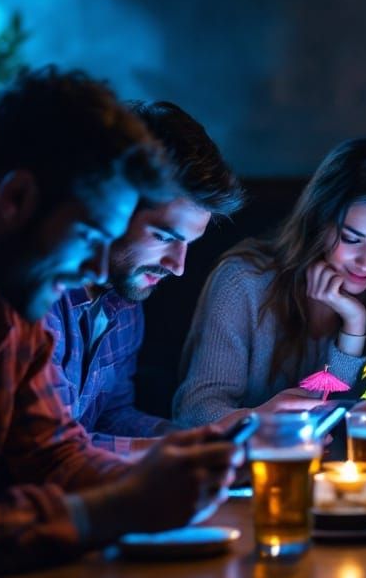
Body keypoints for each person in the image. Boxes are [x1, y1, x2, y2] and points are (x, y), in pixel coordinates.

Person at [0, 68, 241, 578]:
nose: (94, 268)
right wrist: (113, 509)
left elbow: (55, 455)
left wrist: (166, 475)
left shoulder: (11, 292)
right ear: (15, 198)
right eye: (89, 236)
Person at [173, 138, 366, 426]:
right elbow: (193, 413)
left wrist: (354, 325)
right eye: (352, 239)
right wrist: (261, 418)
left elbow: (359, 421)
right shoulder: (245, 282)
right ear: (319, 222)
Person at [45, 100, 245, 439]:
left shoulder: (125, 299)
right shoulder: (41, 294)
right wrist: (179, 454)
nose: (177, 266)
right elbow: (49, 450)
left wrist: (191, 439)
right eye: (164, 237)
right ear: (114, 206)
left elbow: (111, 415)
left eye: (189, 245)